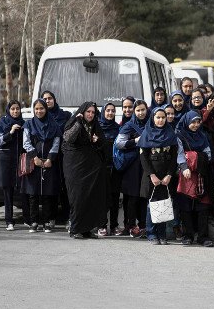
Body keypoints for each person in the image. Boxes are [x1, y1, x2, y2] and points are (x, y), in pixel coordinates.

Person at [62, 102, 107, 239]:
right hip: (75, 167)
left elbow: (102, 143)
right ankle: (75, 229)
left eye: (93, 112)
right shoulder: (75, 122)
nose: (90, 114)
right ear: (82, 111)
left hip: (90, 168)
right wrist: (78, 121)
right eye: (88, 112)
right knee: (78, 198)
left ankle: (87, 229)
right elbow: (68, 138)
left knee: (90, 198)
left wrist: (97, 140)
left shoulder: (94, 126)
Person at [139, 107, 180, 245]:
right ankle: (151, 234)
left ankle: (162, 234)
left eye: (163, 117)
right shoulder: (146, 133)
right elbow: (143, 157)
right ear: (153, 118)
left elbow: (174, 157)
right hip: (151, 177)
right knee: (152, 205)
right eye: (158, 117)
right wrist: (152, 175)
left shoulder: (170, 133)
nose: (161, 120)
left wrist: (169, 175)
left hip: (166, 177)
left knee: (164, 204)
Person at [175, 111, 214, 247]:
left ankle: (203, 237)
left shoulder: (202, 136)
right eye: (193, 122)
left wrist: (193, 156)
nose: (196, 125)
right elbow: (180, 154)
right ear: (186, 122)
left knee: (203, 205)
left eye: (198, 122)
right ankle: (188, 235)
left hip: (201, 174)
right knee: (186, 206)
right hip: (185, 174)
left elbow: (208, 154)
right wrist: (185, 166)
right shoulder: (180, 135)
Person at [22, 99, 62, 233]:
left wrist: (50, 158)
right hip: (34, 163)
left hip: (48, 163)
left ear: (46, 109)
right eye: (36, 109)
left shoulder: (54, 125)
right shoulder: (29, 124)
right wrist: (34, 157)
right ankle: (34, 222)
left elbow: (56, 142)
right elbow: (26, 142)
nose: (39, 111)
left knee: (47, 194)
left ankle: (46, 222)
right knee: (33, 194)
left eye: (42, 108)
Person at [115, 100, 150, 236]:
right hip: (133, 166)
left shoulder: (151, 122)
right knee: (132, 197)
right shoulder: (129, 125)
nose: (141, 113)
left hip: (146, 165)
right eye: (138, 110)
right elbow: (119, 143)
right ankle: (130, 225)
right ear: (134, 112)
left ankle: (143, 226)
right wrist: (136, 140)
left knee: (143, 196)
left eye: (143, 110)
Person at [40, 90, 71, 228]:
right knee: (50, 189)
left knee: (66, 188)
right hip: (48, 158)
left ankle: (67, 217)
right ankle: (50, 218)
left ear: (54, 99)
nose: (47, 101)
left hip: (64, 156)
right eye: (45, 99)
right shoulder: (41, 117)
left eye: (50, 98)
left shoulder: (65, 115)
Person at [0, 101, 25, 231]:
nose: (15, 111)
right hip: (6, 162)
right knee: (8, 192)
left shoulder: (24, 123)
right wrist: (11, 132)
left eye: (17, 109)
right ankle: (9, 221)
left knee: (24, 191)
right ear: (8, 110)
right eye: (12, 109)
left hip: (20, 162)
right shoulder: (2, 123)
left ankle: (28, 219)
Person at [98, 102, 123, 236]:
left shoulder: (118, 128)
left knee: (114, 197)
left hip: (115, 167)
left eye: (113, 111)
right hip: (101, 168)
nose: (110, 113)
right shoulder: (97, 127)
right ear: (103, 112)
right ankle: (101, 225)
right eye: (107, 110)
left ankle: (114, 225)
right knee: (102, 197)